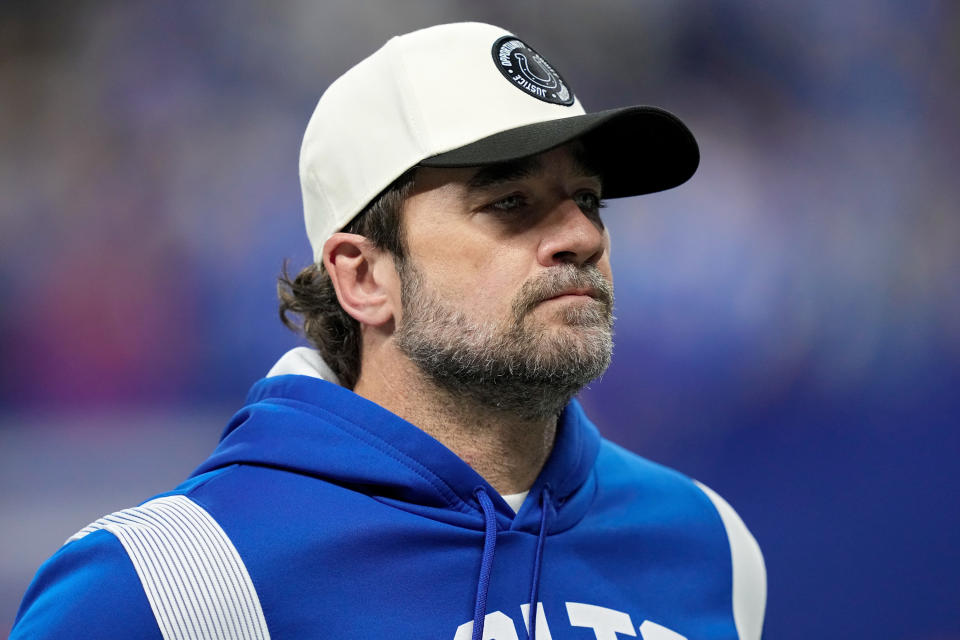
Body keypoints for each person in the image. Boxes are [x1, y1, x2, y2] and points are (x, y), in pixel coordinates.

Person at [11, 22, 766, 640]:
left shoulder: (709, 545)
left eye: (587, 200)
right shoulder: (168, 584)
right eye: (509, 202)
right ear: (364, 277)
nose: (580, 235)